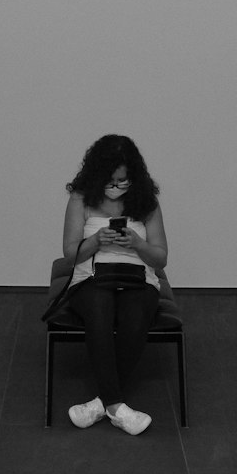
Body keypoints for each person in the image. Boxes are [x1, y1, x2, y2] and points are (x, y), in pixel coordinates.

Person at [61, 133, 168, 435]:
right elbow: (71, 256)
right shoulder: (81, 199)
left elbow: (160, 259)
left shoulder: (146, 203)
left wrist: (136, 244)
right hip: (91, 277)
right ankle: (117, 406)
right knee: (99, 307)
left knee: (136, 316)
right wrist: (95, 240)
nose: (118, 187)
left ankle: (103, 404)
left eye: (124, 181)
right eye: (112, 181)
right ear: (97, 176)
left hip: (138, 277)